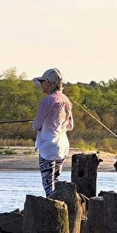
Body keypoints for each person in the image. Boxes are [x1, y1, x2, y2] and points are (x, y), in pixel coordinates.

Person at [31, 68, 74, 198]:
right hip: (62, 146)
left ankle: (51, 211)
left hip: (47, 147)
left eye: (42, 81)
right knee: (56, 181)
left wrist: (35, 125)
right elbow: (70, 126)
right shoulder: (66, 100)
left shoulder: (48, 100)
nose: (41, 84)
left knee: (48, 186)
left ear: (49, 83)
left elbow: (36, 125)